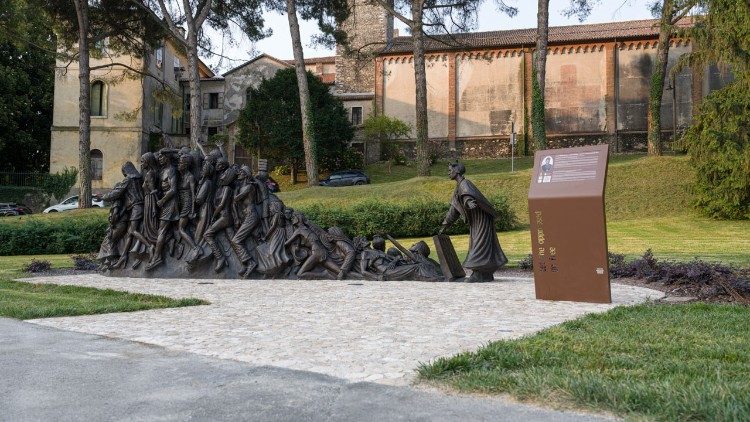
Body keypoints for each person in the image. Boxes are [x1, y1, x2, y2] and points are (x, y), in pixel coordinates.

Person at [439, 162, 507, 282]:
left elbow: (468, 197)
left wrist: (469, 203)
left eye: (450, 170)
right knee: (479, 243)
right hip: (477, 220)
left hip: (481, 219)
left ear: (457, 171)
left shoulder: (465, 184)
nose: (448, 172)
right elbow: (454, 209)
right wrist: (446, 224)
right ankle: (485, 274)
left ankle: (478, 273)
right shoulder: (459, 187)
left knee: (479, 244)